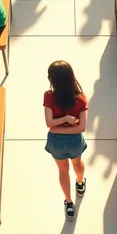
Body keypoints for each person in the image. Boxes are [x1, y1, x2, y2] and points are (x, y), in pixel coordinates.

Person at [44, 60, 88, 221]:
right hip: (74, 141)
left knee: (63, 170)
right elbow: (82, 127)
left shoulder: (49, 96)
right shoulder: (81, 98)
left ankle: (69, 203)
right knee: (77, 164)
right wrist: (69, 121)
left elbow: (50, 124)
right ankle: (80, 182)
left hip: (56, 142)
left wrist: (58, 126)